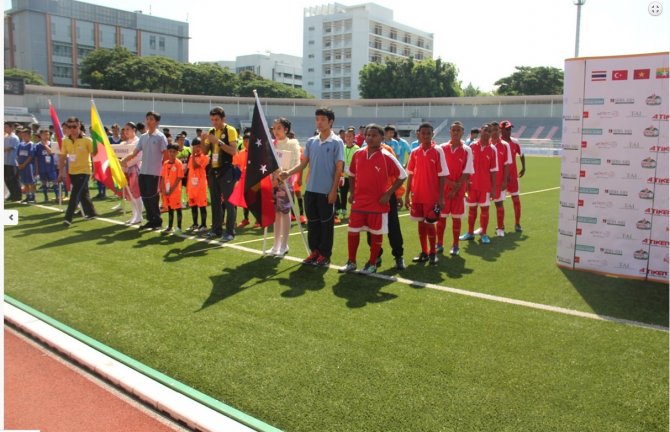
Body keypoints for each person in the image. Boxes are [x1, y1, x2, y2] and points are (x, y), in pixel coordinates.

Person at [280, 107, 344, 267]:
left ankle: (325, 254)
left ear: (331, 122)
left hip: (326, 192)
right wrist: (288, 172)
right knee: (313, 223)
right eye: (317, 119)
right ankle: (314, 251)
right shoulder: (311, 141)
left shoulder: (337, 142)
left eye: (323, 119)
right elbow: (303, 164)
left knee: (326, 224)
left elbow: (339, 168)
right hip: (310, 191)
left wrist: (333, 190)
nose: (319, 122)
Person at [339, 124, 406, 274]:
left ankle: (376, 262)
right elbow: (351, 174)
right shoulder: (359, 153)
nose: (370, 138)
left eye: (374, 135)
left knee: (381, 231)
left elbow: (402, 175)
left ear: (382, 138)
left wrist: (389, 194)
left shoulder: (387, 155)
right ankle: (352, 262)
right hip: (359, 202)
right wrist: (352, 193)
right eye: (368, 135)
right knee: (353, 231)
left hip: (379, 202)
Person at [404, 122, 448, 265]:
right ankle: (424, 252)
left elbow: (442, 175)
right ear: (418, 134)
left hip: (431, 196)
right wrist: (407, 195)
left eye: (428, 133)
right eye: (423, 133)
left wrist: (441, 197)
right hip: (417, 195)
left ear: (432, 134)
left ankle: (433, 253)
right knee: (420, 225)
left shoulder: (438, 151)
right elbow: (410, 174)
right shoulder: (415, 152)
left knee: (430, 224)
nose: (426, 136)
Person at [121, 111, 168, 230]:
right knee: (145, 197)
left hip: (155, 172)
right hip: (143, 172)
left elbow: (165, 155)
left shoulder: (160, 137)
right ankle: (150, 220)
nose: (148, 121)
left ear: (157, 122)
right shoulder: (143, 137)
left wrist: (164, 173)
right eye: (147, 119)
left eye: (151, 119)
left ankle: (157, 220)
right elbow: (135, 152)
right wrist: (125, 159)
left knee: (153, 197)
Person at [435, 121, 473, 256]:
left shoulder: (467, 150)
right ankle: (439, 244)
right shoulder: (441, 148)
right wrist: (449, 184)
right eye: (453, 130)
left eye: (458, 130)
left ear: (463, 132)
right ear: (449, 132)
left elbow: (467, 171)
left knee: (456, 219)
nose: (456, 132)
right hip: (443, 190)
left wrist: (455, 188)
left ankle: (455, 245)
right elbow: (438, 169)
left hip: (458, 191)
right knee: (441, 219)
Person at [201, 106, 238, 242]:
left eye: (216, 119)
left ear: (223, 119)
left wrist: (218, 142)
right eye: (212, 120)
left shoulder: (230, 130)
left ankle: (230, 232)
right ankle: (216, 229)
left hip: (227, 169)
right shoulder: (211, 131)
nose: (214, 122)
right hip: (213, 169)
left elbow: (233, 151)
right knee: (215, 202)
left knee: (229, 202)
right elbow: (205, 152)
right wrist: (202, 139)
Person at [267, 117, 301, 256]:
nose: (276, 131)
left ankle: (284, 244)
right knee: (276, 213)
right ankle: (276, 244)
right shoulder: (272, 144)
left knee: (285, 212)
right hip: (274, 182)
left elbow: (295, 163)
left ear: (286, 129)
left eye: (279, 128)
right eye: (274, 128)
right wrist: (273, 177)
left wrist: (283, 176)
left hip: (286, 183)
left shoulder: (292, 144)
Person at [459, 124, 498, 244]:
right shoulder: (471, 146)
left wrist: (493, 188)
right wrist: (465, 183)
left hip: (485, 186)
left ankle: (484, 233)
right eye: (485, 130)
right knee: (472, 210)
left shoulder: (493, 149)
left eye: (489, 131)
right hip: (471, 185)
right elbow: (465, 166)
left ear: (492, 133)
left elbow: (494, 170)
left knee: (485, 210)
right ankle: (470, 233)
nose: (487, 133)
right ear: (481, 131)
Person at [58, 117, 97, 226]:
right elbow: (62, 157)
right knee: (83, 193)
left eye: (74, 126)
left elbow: (95, 156)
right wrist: (61, 172)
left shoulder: (87, 140)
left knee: (75, 194)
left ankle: (68, 218)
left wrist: (95, 171)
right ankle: (92, 212)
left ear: (79, 126)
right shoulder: (65, 140)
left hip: (84, 171)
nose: (72, 129)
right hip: (72, 171)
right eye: (69, 127)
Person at [500, 120, 526, 232]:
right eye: (507, 129)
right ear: (501, 130)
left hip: (513, 177)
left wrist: (524, 167)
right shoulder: (496, 143)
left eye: (510, 129)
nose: (509, 131)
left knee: (516, 200)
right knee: (499, 202)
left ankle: (517, 224)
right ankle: (500, 225)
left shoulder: (515, 142)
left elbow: (522, 154)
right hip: (501, 178)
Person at [489, 121, 513, 237]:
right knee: (484, 206)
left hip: (499, 181)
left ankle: (500, 228)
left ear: (499, 131)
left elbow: (507, 164)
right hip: (485, 181)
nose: (494, 132)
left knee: (499, 204)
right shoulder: (485, 144)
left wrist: (504, 181)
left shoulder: (505, 145)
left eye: (496, 130)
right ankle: (483, 228)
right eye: (492, 130)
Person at [118, 122, 143, 224]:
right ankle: (134, 215)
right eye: (124, 129)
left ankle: (139, 216)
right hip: (126, 170)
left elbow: (138, 157)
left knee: (136, 194)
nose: (126, 131)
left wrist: (125, 163)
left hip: (135, 170)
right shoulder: (124, 143)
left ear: (134, 130)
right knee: (130, 194)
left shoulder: (138, 141)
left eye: (128, 129)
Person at [234, 131, 258, 228]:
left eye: (247, 141)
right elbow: (237, 165)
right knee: (245, 199)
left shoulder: (256, 153)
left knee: (255, 199)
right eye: (244, 141)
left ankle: (258, 219)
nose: (245, 143)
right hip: (244, 178)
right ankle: (246, 219)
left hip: (254, 179)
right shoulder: (241, 153)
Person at [160, 144, 184, 233]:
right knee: (170, 208)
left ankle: (179, 227)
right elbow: (163, 177)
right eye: (170, 151)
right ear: (168, 152)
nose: (172, 153)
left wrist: (172, 189)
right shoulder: (165, 163)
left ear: (177, 152)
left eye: (174, 152)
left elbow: (179, 178)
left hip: (175, 191)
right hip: (167, 190)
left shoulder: (178, 163)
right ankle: (170, 226)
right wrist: (163, 189)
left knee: (178, 208)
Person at [186, 138, 209, 232]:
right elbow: (190, 169)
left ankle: (203, 225)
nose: (197, 147)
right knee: (193, 205)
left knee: (202, 205)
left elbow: (195, 166)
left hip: (201, 186)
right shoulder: (191, 157)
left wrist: (192, 154)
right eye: (195, 145)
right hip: (192, 185)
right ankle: (195, 224)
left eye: (199, 145)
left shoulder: (204, 156)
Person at [338, 127, 359, 220]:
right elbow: (340, 162)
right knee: (343, 195)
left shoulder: (357, 149)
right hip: (344, 177)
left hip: (354, 177)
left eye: (350, 136)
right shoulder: (342, 147)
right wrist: (340, 174)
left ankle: (354, 212)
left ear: (354, 137)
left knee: (354, 195)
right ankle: (343, 212)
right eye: (346, 136)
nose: (348, 138)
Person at [33, 129, 60, 203]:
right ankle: (46, 197)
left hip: (51, 167)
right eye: (44, 134)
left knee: (55, 182)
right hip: (42, 167)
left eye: (48, 134)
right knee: (44, 183)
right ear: (41, 135)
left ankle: (57, 196)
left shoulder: (53, 144)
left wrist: (46, 145)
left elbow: (52, 153)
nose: (46, 136)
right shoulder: (37, 146)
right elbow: (36, 158)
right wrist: (37, 169)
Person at [17, 128, 36, 203]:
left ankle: (33, 196)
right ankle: (27, 196)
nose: (24, 137)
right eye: (23, 135)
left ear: (29, 136)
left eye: (25, 135)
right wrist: (19, 163)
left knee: (31, 181)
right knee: (24, 181)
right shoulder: (20, 144)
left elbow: (30, 156)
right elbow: (18, 155)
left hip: (28, 165)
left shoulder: (31, 144)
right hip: (21, 165)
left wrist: (24, 164)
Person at [4, 121, 22, 201]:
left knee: (13, 179)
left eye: (6, 127)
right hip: (5, 161)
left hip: (12, 162)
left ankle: (17, 195)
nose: (4, 128)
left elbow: (10, 148)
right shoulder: (6, 137)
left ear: (12, 128)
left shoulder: (14, 137)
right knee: (7, 179)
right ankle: (12, 194)